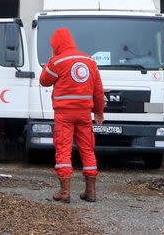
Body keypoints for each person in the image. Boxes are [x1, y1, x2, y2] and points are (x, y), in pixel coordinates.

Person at [39, 27, 104, 203]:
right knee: (88, 150)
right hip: (84, 114)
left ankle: (65, 192)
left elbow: (44, 81)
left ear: (57, 44)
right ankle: (90, 192)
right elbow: (98, 90)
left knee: (63, 150)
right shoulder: (89, 61)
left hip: (64, 114)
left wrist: (50, 61)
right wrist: (98, 111)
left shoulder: (57, 61)